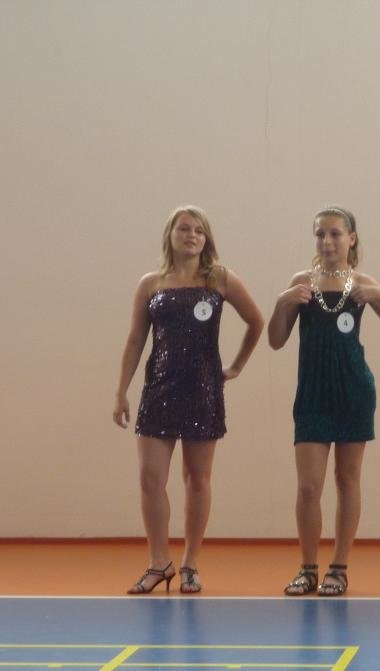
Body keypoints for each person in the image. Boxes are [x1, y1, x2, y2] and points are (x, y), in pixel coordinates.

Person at [113, 205, 264, 594]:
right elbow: (135, 340)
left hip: (202, 389)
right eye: (184, 229)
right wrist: (121, 391)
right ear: (170, 235)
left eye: (199, 230)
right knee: (150, 478)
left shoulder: (220, 279)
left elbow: (256, 321)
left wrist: (236, 366)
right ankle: (158, 562)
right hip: (159, 389)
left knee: (197, 478)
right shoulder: (151, 284)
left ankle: (190, 562)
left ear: (206, 238)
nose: (191, 235)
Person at [269, 205, 380, 596]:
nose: (327, 241)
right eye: (320, 234)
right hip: (312, 393)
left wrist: (379, 295)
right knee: (308, 487)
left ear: (352, 238)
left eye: (335, 233)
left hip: (353, 390)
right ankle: (307, 568)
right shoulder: (302, 282)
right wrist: (283, 302)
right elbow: (276, 340)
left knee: (347, 480)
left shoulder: (362, 283)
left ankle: (339, 567)